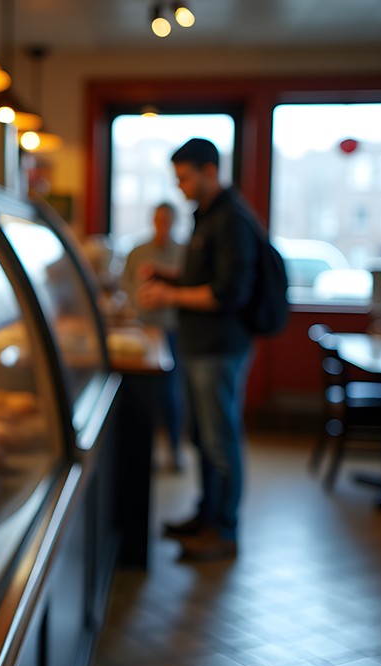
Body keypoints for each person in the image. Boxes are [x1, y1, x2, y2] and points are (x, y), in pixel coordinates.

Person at [137, 138, 258, 560]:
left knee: (221, 441)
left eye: (185, 177)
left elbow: (228, 294)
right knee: (203, 439)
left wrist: (170, 297)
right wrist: (169, 277)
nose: (181, 187)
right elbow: (201, 280)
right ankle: (207, 516)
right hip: (200, 345)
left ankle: (224, 531)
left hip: (220, 348)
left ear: (210, 172)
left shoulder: (232, 220)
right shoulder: (207, 216)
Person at [121, 202, 185, 471]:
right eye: (158, 219)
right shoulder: (138, 252)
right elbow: (126, 285)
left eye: (167, 220)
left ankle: (174, 450)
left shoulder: (183, 253)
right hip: (142, 328)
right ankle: (140, 455)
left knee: (171, 394)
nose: (162, 225)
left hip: (171, 329)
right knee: (141, 395)